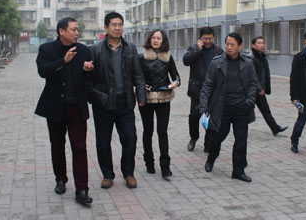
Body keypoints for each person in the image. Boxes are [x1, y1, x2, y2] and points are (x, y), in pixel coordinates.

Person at [35, 17, 94, 206]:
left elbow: (90, 79)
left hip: (76, 107)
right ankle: (60, 179)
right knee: (57, 145)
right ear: (61, 31)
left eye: (78, 29)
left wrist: (88, 70)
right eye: (73, 29)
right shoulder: (47, 49)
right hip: (55, 107)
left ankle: (82, 189)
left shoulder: (84, 50)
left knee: (79, 147)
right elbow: (43, 71)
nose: (77, 32)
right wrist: (64, 60)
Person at [88, 12, 146, 189]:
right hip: (103, 103)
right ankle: (107, 174)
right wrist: (97, 97)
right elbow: (88, 80)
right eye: (113, 25)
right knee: (103, 141)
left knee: (130, 137)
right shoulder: (95, 50)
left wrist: (141, 96)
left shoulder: (130, 48)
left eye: (120, 24)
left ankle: (128, 173)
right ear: (106, 27)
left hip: (125, 102)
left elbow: (138, 75)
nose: (117, 28)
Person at [200, 32, 259, 182]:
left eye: (232, 44)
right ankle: (211, 159)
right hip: (222, 108)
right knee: (217, 138)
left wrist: (249, 101)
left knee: (241, 140)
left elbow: (253, 83)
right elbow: (207, 85)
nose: (229, 47)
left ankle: (238, 170)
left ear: (240, 46)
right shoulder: (216, 63)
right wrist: (204, 107)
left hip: (241, 108)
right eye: (227, 44)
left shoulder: (248, 63)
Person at [138, 29, 180, 178]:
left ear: (163, 41)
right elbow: (136, 77)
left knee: (162, 131)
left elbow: (176, 76)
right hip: (147, 98)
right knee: (148, 130)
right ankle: (149, 162)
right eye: (153, 37)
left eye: (159, 38)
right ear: (149, 39)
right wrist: (141, 85)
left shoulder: (168, 57)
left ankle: (165, 166)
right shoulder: (141, 57)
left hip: (164, 98)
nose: (156, 40)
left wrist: (174, 83)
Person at [183, 26, 223, 152]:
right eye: (205, 38)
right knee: (194, 117)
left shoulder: (218, 51)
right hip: (197, 90)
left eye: (210, 38)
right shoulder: (193, 49)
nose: (208, 41)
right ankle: (194, 137)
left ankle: (208, 143)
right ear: (200, 38)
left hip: (213, 90)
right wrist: (197, 50)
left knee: (210, 117)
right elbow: (186, 61)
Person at [248, 36, 288, 136]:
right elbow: (252, 76)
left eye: (263, 43)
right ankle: (240, 127)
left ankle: (275, 128)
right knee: (246, 111)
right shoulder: (251, 58)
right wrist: (259, 88)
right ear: (253, 45)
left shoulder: (262, 56)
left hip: (259, 90)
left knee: (265, 110)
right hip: (252, 90)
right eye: (259, 43)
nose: (262, 45)